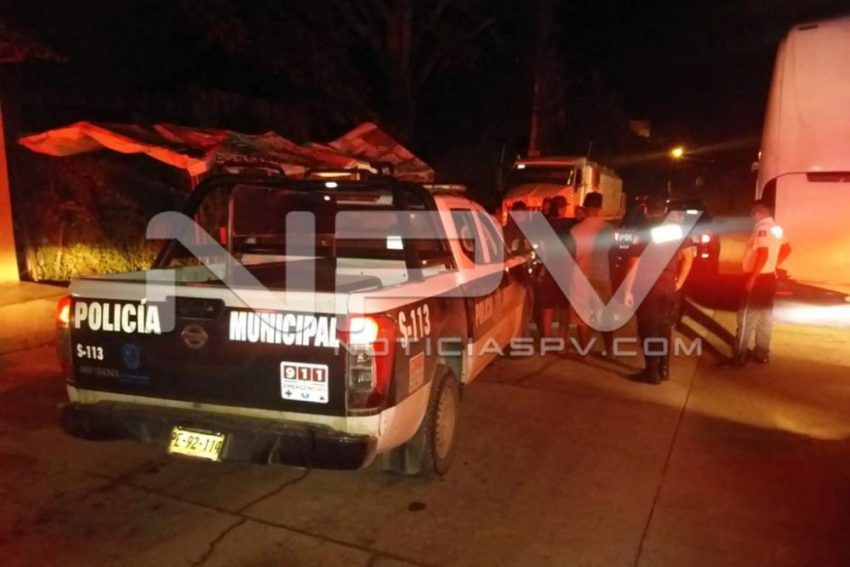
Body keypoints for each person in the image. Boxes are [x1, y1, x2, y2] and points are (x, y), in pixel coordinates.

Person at [624, 194, 695, 384]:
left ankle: (651, 372)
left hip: (647, 288)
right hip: (669, 287)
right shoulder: (676, 231)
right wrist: (679, 282)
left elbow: (633, 264)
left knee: (648, 329)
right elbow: (689, 257)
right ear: (665, 210)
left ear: (646, 210)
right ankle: (664, 370)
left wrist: (627, 290)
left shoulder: (642, 232)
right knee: (664, 328)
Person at [722, 200, 791, 367]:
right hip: (770, 278)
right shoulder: (776, 228)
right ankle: (762, 353)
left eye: (753, 213)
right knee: (764, 318)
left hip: (759, 279)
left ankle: (738, 357)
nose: (752, 216)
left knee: (746, 318)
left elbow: (763, 253)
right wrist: (773, 266)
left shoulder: (761, 229)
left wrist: (752, 277)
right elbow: (787, 249)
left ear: (758, 213)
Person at [570, 192, 616, 356]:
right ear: (600, 207)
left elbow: (571, 254)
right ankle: (609, 350)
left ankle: (586, 352)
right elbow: (612, 253)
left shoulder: (575, 230)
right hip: (601, 275)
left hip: (580, 276)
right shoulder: (608, 229)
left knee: (582, 317)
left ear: (585, 206)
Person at [535, 195, 576, 346]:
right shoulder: (567, 225)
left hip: (548, 269)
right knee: (564, 308)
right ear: (560, 208)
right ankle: (562, 342)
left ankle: (546, 339)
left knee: (548, 306)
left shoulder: (545, 224)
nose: (565, 210)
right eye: (564, 207)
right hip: (565, 269)